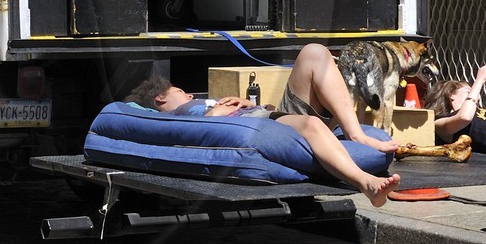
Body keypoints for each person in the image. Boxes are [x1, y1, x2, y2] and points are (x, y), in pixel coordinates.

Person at [127, 43, 404, 207]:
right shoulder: (180, 115)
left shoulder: (199, 104)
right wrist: (216, 114)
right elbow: (194, 135)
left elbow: (265, 114)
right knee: (310, 125)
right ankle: (366, 183)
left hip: (270, 117)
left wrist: (246, 104)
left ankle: (355, 133)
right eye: (180, 91)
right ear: (161, 97)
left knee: (314, 52)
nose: (188, 94)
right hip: (265, 127)